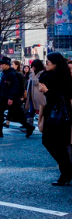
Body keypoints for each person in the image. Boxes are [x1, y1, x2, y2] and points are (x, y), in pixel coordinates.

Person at [38, 52, 72, 186]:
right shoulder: (50, 76)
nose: (46, 64)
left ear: (55, 63)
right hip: (52, 113)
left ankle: (66, 172)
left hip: (60, 115)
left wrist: (47, 91)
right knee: (52, 142)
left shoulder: (62, 77)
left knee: (55, 143)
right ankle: (67, 171)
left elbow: (62, 97)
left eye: (48, 62)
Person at [0, 57, 35, 138]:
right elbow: (5, 86)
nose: (0, 65)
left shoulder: (11, 74)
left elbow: (15, 86)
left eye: (2, 64)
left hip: (10, 98)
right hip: (5, 97)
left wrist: (11, 98)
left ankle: (29, 127)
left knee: (16, 115)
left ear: (7, 65)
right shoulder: (5, 73)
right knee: (0, 114)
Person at [26, 60, 46, 127]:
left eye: (33, 66)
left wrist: (33, 75)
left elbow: (36, 82)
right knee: (31, 110)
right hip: (31, 95)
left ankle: (42, 125)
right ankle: (29, 126)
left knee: (42, 111)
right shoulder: (32, 74)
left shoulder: (42, 73)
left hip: (39, 96)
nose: (32, 68)